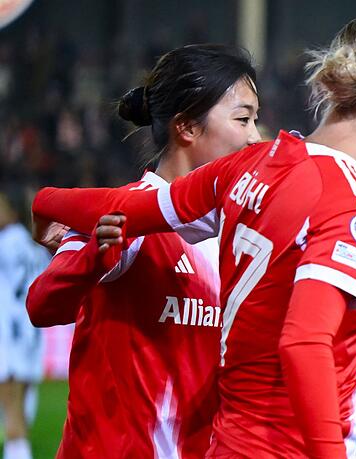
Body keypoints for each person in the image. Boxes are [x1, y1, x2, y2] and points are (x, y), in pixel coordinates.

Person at [30, 15, 356, 458]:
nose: (252, 133)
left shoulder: (245, 174)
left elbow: (125, 210)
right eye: (242, 118)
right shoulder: (352, 203)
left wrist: (45, 201)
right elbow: (304, 342)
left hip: (224, 444)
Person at [26, 44, 261, 458]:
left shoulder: (239, 235)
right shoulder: (121, 216)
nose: (255, 137)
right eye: (242, 119)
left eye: (256, 120)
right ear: (187, 127)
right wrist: (92, 258)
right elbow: (43, 305)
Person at [0, 190, 49, 459]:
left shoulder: (5, 242)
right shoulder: (32, 246)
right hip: (30, 336)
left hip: (8, 335)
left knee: (13, 416)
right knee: (20, 412)